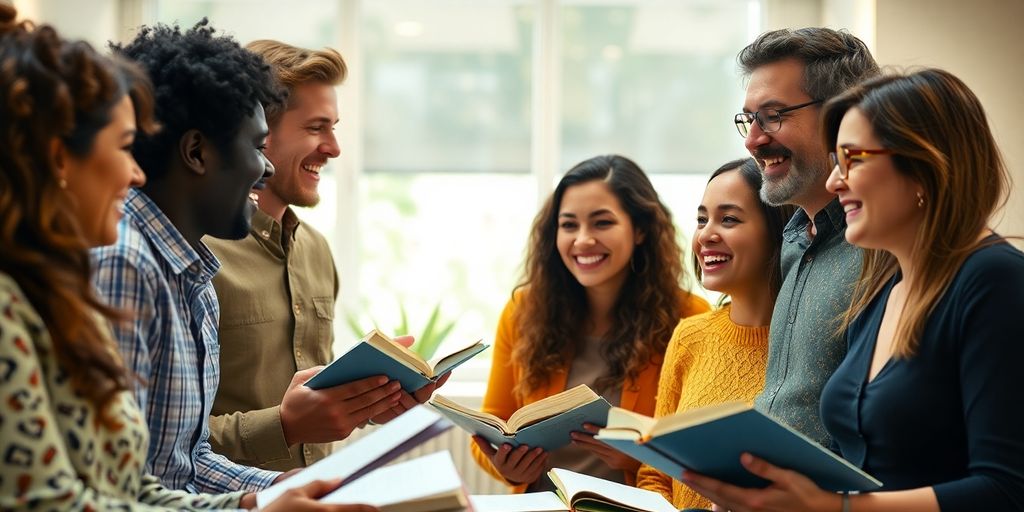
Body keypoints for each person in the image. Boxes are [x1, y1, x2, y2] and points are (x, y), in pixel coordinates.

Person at [0, 7, 375, 511]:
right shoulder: (117, 262)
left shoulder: (194, 273)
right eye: (124, 146)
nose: (134, 172)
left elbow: (169, 468)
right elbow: (62, 501)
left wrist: (264, 499)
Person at [684, 68, 1024, 512]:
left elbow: (1007, 490)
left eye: (853, 160)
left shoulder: (994, 278)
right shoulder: (889, 288)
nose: (833, 181)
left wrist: (833, 507)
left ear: (925, 164)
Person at [205, 40, 439, 472]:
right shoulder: (197, 254)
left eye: (334, 128)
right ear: (259, 132)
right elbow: (164, 441)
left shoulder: (315, 250)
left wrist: (369, 402)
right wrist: (283, 425)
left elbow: (309, 404)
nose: (334, 148)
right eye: (316, 128)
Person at [89, 20, 296, 492]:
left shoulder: (194, 279)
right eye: (258, 147)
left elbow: (185, 464)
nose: (267, 168)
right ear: (197, 152)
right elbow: (117, 487)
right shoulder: (124, 264)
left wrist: (281, 489)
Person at [470, 154, 710, 492]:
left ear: (640, 229)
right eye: (569, 225)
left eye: (602, 223)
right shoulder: (522, 312)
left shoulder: (689, 318)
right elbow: (490, 425)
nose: (582, 240)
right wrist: (508, 468)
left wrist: (638, 456)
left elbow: (702, 452)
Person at [736, 27, 879, 445]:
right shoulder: (793, 239)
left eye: (773, 115)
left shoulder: (883, 252)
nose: (752, 140)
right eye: (749, 119)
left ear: (843, 116)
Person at [635, 158, 794, 510]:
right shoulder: (690, 336)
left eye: (729, 219)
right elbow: (655, 473)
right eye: (702, 219)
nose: (706, 235)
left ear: (778, 229)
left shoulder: (806, 344)